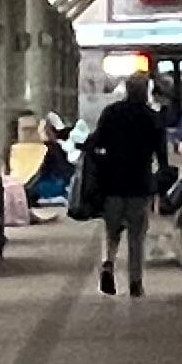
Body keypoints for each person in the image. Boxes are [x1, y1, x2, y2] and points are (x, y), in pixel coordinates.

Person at [75, 74, 173, 297]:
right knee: (137, 236)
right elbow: (162, 156)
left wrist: (84, 147)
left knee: (112, 230)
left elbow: (96, 141)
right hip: (139, 184)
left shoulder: (112, 113)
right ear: (145, 91)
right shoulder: (151, 117)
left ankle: (108, 262)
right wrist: (161, 179)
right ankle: (135, 281)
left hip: (112, 183)